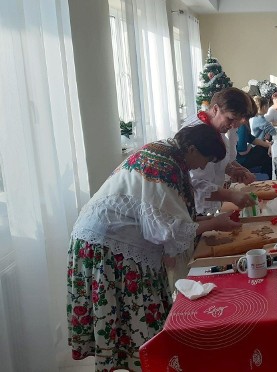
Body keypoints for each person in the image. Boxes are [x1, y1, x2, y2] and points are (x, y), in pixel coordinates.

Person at [67, 124, 240, 371]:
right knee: (136, 318)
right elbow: (164, 230)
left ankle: (145, 363)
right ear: (191, 149)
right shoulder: (163, 166)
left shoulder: (166, 154)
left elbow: (169, 216)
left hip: (103, 240)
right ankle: (149, 364)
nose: (202, 167)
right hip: (109, 247)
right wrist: (214, 223)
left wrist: (205, 224)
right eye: (205, 159)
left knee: (132, 317)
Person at [186, 88, 259, 216]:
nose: (232, 126)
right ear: (215, 109)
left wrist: (231, 170)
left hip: (212, 205)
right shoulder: (195, 133)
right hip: (197, 210)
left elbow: (216, 163)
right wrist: (231, 195)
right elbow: (194, 184)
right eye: (230, 119)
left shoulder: (216, 128)